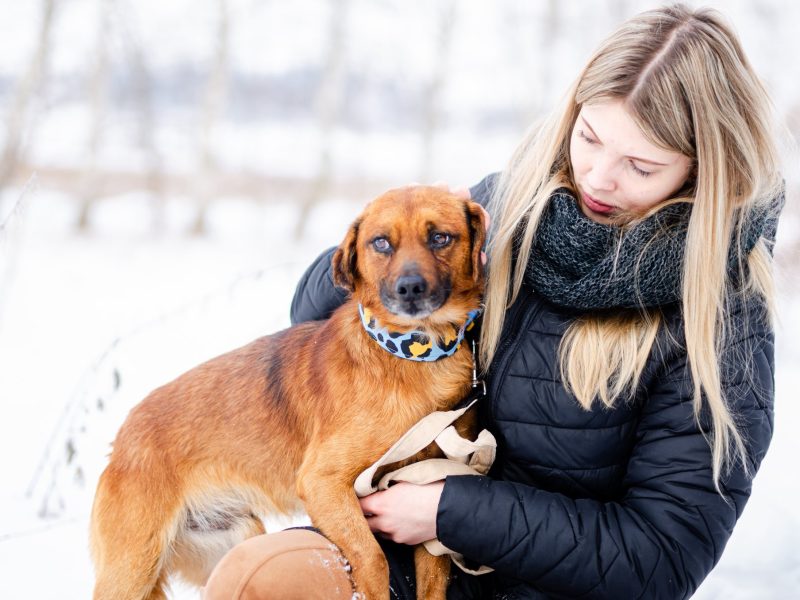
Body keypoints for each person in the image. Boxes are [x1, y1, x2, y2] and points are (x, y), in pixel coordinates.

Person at [204, 4, 786, 599]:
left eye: (640, 165)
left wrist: (448, 511)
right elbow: (312, 319)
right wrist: (387, 249)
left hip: (553, 583)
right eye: (589, 138)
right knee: (264, 580)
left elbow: (659, 557)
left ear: (705, 172)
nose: (598, 178)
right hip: (419, 554)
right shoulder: (511, 210)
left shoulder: (724, 319)